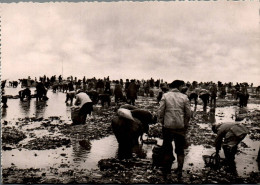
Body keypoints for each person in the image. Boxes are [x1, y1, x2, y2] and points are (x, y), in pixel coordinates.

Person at [157, 80, 191, 178]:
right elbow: (188, 113)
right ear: (179, 86)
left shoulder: (165, 96)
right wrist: (185, 124)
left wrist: (162, 122)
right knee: (180, 149)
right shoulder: (184, 97)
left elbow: (160, 111)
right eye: (182, 86)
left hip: (168, 126)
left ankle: (167, 170)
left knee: (167, 147)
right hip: (180, 126)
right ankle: (179, 170)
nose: (183, 88)